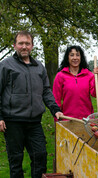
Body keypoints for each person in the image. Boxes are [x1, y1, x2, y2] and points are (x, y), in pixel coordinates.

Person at [0, 31, 63, 178]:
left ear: (32, 46)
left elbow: (46, 91)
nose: (24, 46)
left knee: (40, 155)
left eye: (27, 44)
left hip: (34, 122)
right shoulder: (5, 65)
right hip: (13, 121)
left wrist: (55, 110)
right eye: (21, 43)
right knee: (16, 160)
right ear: (14, 45)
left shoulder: (39, 67)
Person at [53, 45, 98, 121]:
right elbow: (56, 99)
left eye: (77, 55)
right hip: (67, 119)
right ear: (67, 57)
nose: (75, 58)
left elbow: (96, 94)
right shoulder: (60, 76)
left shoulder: (89, 75)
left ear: (81, 57)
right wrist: (57, 120)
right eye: (72, 55)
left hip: (86, 119)